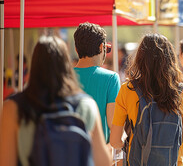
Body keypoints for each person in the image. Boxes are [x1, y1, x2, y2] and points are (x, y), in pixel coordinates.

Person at [0, 36, 112, 166]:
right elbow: (103, 162)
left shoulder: (13, 108)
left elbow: (6, 162)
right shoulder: (86, 105)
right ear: (67, 65)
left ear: (34, 65)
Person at [110, 33, 183, 165]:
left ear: (140, 59)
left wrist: (130, 143)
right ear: (171, 60)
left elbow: (115, 141)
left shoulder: (128, 89)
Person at [73, 22, 121, 144]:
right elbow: (113, 124)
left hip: (68, 152)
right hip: (98, 154)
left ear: (76, 49)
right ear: (101, 47)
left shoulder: (63, 77)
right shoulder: (111, 79)